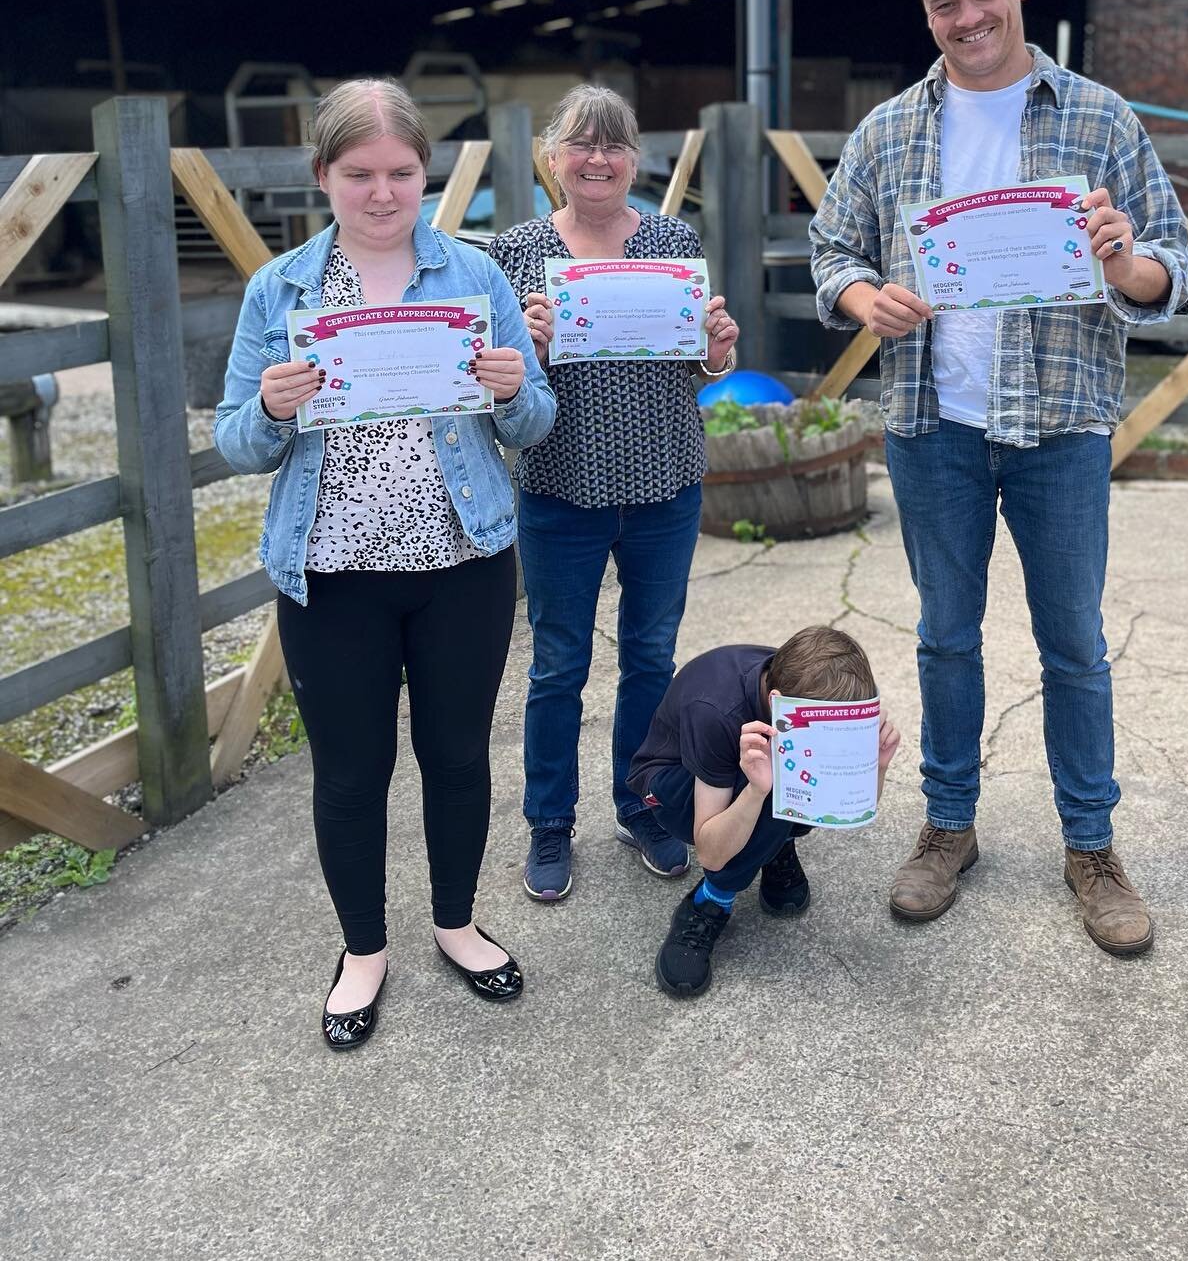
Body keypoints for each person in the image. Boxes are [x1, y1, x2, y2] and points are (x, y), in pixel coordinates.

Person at [810, 0, 1188, 959]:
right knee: (944, 636)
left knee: (1072, 642)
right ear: (926, 12)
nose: (968, 17)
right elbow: (830, 247)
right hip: (934, 423)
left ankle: (1091, 846)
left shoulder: (1101, 120)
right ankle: (948, 828)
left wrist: (1123, 263)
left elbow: (1176, 275)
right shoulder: (890, 131)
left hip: (1060, 426)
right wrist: (860, 302)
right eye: (945, 5)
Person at [215, 78, 556, 1049]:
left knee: (455, 756)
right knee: (352, 772)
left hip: (463, 564)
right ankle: (363, 949)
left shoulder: (474, 276)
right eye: (358, 173)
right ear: (323, 175)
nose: (381, 191)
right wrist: (275, 408)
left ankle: (455, 923)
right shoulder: (278, 290)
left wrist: (508, 388)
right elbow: (237, 444)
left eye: (401, 171)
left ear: (427, 173)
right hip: (332, 578)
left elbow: (537, 421)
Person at [488, 85, 739, 903]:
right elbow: (494, 387)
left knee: (649, 659)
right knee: (558, 666)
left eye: (616, 146)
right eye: (581, 144)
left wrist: (717, 351)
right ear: (552, 157)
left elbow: (696, 369)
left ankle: (643, 807)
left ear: (635, 160)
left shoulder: (670, 239)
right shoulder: (517, 252)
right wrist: (522, 348)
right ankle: (549, 824)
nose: (599, 159)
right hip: (561, 486)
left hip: (665, 480)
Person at [627, 626, 901, 998]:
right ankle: (709, 903)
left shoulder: (802, 684)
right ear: (776, 701)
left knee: (797, 775)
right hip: (671, 781)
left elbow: (842, 804)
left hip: (744, 765)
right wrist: (756, 791)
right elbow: (709, 850)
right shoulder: (716, 713)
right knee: (773, 790)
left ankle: (774, 844)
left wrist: (877, 766)